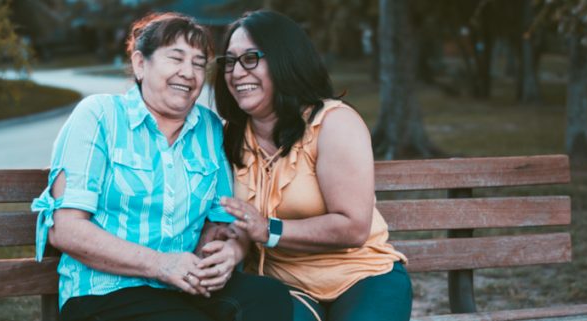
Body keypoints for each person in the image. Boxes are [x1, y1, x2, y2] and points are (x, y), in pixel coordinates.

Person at [31, 12, 292, 321]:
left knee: (267, 296)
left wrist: (222, 250)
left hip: (182, 287)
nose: (189, 73)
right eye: (176, 58)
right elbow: (66, 229)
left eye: (198, 63)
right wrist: (161, 264)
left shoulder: (209, 128)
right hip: (104, 292)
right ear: (141, 64)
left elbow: (220, 218)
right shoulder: (99, 116)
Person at [210, 10, 412, 321]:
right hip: (281, 286)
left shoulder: (332, 123)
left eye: (250, 58)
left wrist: (268, 229)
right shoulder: (230, 137)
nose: (236, 72)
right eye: (230, 61)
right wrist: (228, 250)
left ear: (285, 60)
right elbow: (237, 225)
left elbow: (354, 227)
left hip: (362, 277)